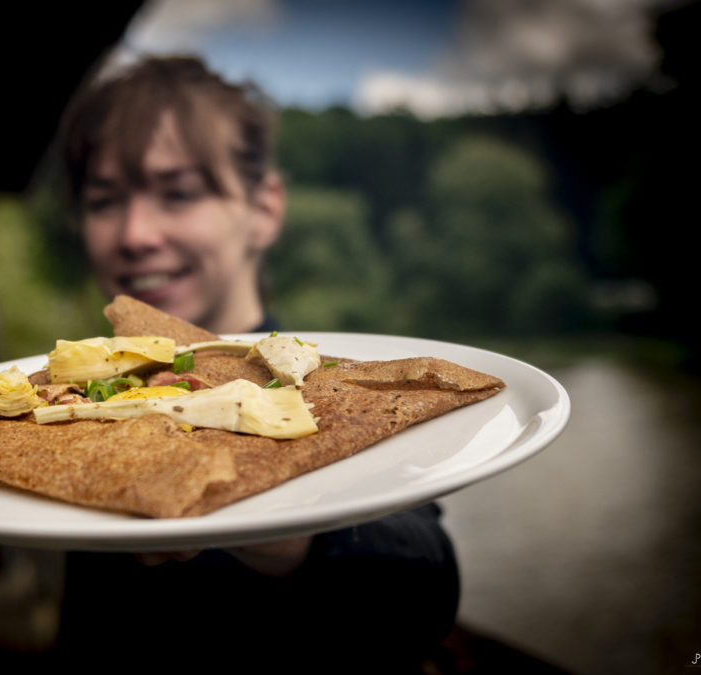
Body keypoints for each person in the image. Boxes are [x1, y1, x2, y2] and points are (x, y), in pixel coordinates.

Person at [54, 55, 459, 665]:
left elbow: (427, 585)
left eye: (179, 193)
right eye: (105, 200)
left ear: (264, 209)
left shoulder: (333, 388)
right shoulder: (80, 403)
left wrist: (296, 534)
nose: (134, 233)